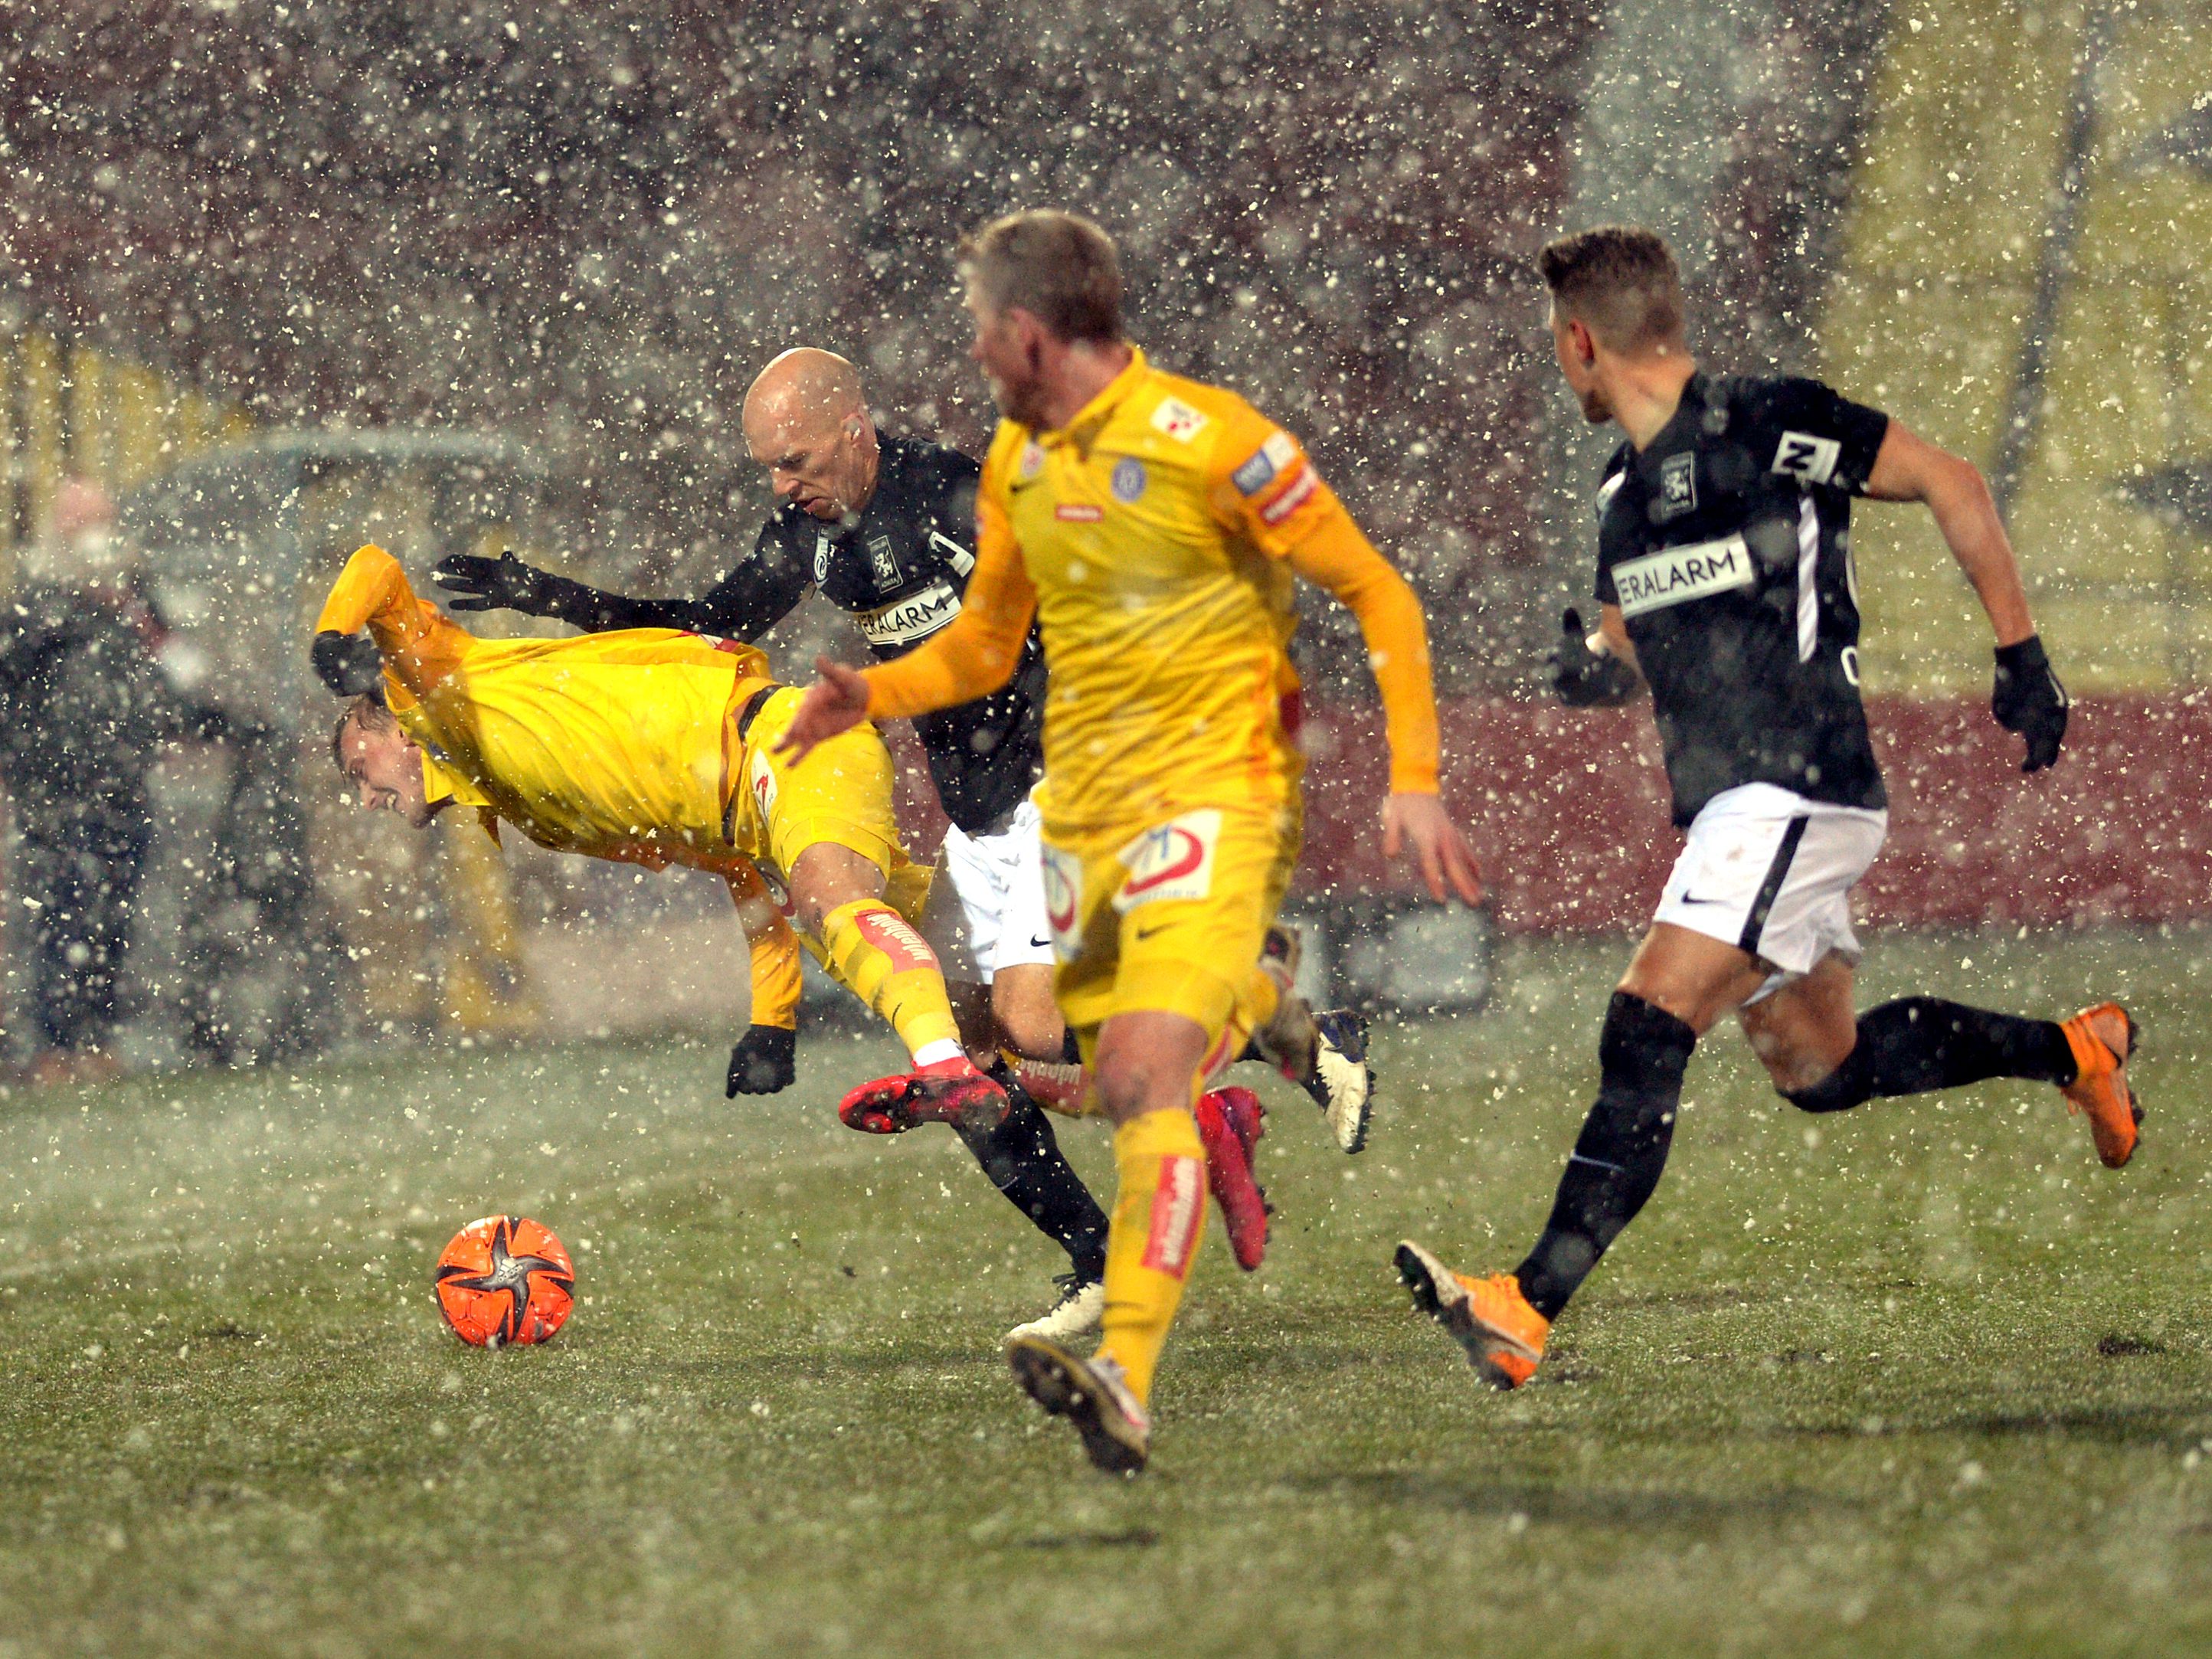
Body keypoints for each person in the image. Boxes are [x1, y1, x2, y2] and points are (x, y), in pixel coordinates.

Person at [427, 346, 1373, 1339]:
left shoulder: (954, 500)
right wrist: (550, 595)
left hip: (1062, 773)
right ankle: (1207, 1129)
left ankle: (1238, 1083)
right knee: (976, 1045)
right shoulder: (813, 534)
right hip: (980, 810)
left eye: (793, 460)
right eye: (767, 468)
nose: (782, 485)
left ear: (853, 428)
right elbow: (707, 620)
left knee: (1030, 1023)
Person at [778, 210, 1484, 1473]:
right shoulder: (1015, 465)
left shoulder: (1211, 439)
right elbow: (985, 647)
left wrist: (1415, 777)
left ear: (1026, 331)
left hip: (1213, 786)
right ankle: (1278, 1042)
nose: (973, 352)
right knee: (1087, 1063)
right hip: (1082, 802)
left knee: (1143, 1071)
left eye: (981, 328)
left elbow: (1373, 587)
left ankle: (1121, 1367)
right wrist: (869, 696)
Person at [1395, 225, 2132, 1390]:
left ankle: (1526, 1304)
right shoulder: (1623, 489)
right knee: (1820, 1066)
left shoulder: (1766, 422)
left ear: (1583, 339)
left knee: (1646, 1021)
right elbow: (1628, 632)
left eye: (1557, 343)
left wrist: (2021, 652)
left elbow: (1952, 478)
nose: (1557, 362)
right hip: (1750, 809)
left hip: (1796, 783)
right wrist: (1594, 660)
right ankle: (2073, 1050)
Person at [311, 541, 1144, 1333]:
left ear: (391, 723)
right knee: (987, 1026)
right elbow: (737, 868)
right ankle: (1111, 1224)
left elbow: (375, 571)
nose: (365, 797)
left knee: (866, 948)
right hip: (764, 821)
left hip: (785, 742)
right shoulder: (526, 813)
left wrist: (332, 639)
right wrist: (772, 1019)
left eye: (360, 770)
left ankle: (949, 1073)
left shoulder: (439, 690)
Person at [0, 479, 226, 1084]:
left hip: (121, 790)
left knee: (110, 919)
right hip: (54, 793)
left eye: (102, 523)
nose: (96, 540)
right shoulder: (37, 612)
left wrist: (225, 724)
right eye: (82, 526)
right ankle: (55, 1046)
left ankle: (94, 1040)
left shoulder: (135, 608)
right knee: (62, 916)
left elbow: (172, 682)